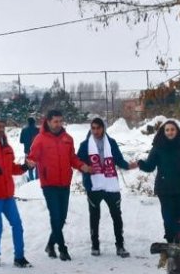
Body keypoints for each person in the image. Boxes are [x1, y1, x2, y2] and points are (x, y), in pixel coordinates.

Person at [26, 110, 91, 260]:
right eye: (55, 121)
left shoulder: (67, 139)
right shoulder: (40, 139)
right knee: (55, 216)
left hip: (64, 183)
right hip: (49, 184)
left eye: (60, 121)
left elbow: (72, 158)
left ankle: (50, 245)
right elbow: (32, 156)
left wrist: (82, 166)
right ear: (48, 122)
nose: (58, 124)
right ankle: (62, 248)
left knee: (61, 218)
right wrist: (30, 162)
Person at [77, 117, 137, 257]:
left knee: (116, 216)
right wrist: (84, 167)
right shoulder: (85, 145)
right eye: (93, 128)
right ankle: (95, 245)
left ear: (103, 128)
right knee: (94, 216)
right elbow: (78, 161)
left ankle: (120, 246)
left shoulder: (111, 143)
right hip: (94, 185)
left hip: (110, 185)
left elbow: (119, 160)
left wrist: (129, 166)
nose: (96, 131)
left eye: (98, 128)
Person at [137, 120, 180, 245]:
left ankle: (176, 240)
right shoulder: (158, 147)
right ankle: (170, 240)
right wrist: (141, 164)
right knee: (168, 216)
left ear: (177, 131)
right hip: (164, 187)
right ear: (163, 132)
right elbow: (150, 166)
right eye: (167, 130)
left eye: (172, 129)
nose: (170, 132)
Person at [0, 119, 31, 268]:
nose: (1, 129)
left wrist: (24, 167)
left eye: (3, 127)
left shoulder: (7, 147)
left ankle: (19, 257)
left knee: (17, 225)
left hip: (8, 194)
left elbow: (11, 168)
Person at [20, 117, 40, 181]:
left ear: (28, 122)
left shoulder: (24, 130)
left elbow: (21, 141)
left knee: (29, 166)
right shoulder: (38, 130)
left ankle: (31, 180)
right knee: (37, 166)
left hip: (27, 151)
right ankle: (37, 179)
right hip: (37, 151)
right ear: (34, 122)